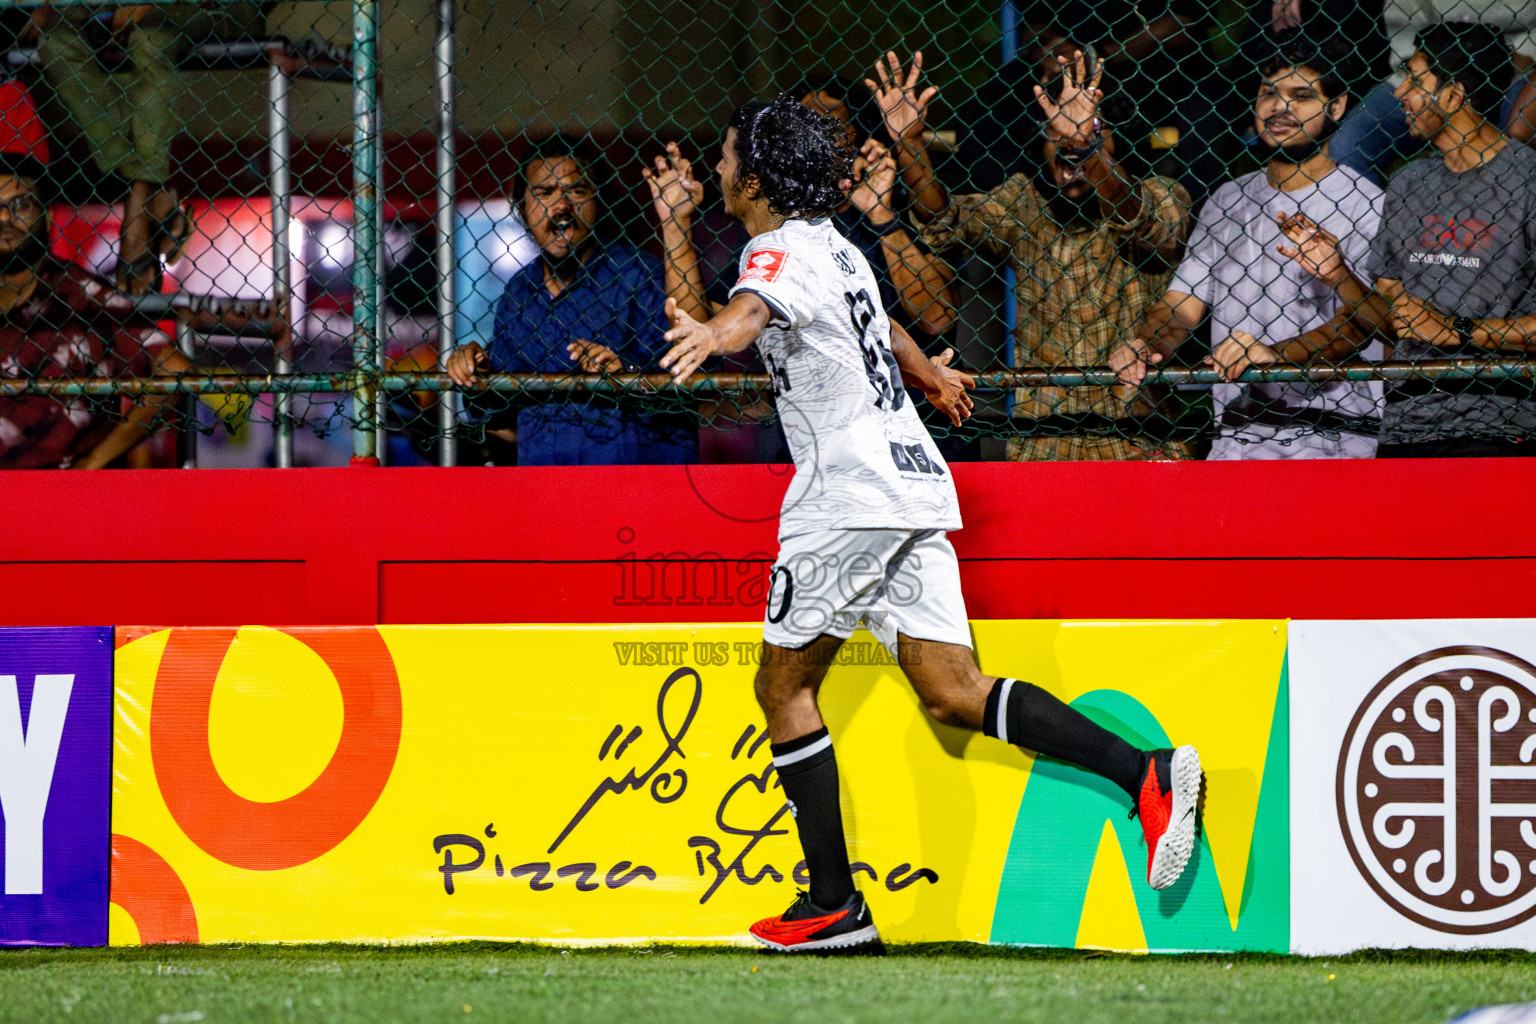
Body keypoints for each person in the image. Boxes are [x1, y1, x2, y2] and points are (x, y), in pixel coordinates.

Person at [657, 95, 1203, 953]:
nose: (721, 170)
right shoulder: (836, 247)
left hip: (847, 495)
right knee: (952, 692)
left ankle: (832, 905)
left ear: (756, 178)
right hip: (911, 480)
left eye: (728, 158)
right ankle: (1147, 773)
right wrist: (935, 380)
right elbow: (890, 329)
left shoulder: (770, 251)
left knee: (782, 688)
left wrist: (711, 333)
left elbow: (750, 315)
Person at [874, 49, 1194, 461]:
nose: (1068, 143)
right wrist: (910, 146)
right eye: (1055, 134)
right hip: (1043, 435)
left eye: (1089, 131)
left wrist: (1088, 148)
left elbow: (1137, 216)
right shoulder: (1024, 202)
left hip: (1136, 432)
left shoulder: (1163, 194)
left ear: (1116, 140)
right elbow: (944, 219)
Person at [1266, 21, 1536, 456]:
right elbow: (1390, 322)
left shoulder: (1527, 180)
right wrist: (1338, 275)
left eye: (1413, 78)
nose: (1398, 92)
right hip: (1407, 427)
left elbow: (1451, 330)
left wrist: (1458, 330)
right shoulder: (1410, 182)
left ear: (1453, 94)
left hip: (1502, 425)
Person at [1111, 36, 1387, 459]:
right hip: (1238, 439)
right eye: (1268, 95)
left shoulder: (1365, 202)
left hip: (1333, 438)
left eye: (1301, 96)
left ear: (1335, 107)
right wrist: (1146, 344)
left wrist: (1271, 356)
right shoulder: (1227, 199)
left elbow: (1360, 324)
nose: (1280, 108)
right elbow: (1182, 304)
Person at [444, 135, 698, 466]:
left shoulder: (642, 276)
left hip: (639, 486)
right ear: (522, 209)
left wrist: (627, 375)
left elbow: (697, 387)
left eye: (576, 191)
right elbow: (502, 420)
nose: (561, 205)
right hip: (546, 491)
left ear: (599, 202)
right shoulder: (519, 294)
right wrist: (477, 374)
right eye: (544, 193)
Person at [0, 82, 193, 469]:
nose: (5, 218)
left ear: (47, 214)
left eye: (19, 203)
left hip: (69, 502)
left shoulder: (81, 292)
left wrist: (95, 465)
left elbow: (176, 373)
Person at [32, 2, 270, 294]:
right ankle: (149, 192)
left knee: (151, 36)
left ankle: (139, 211)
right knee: (53, 41)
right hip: (119, 12)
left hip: (217, 7)